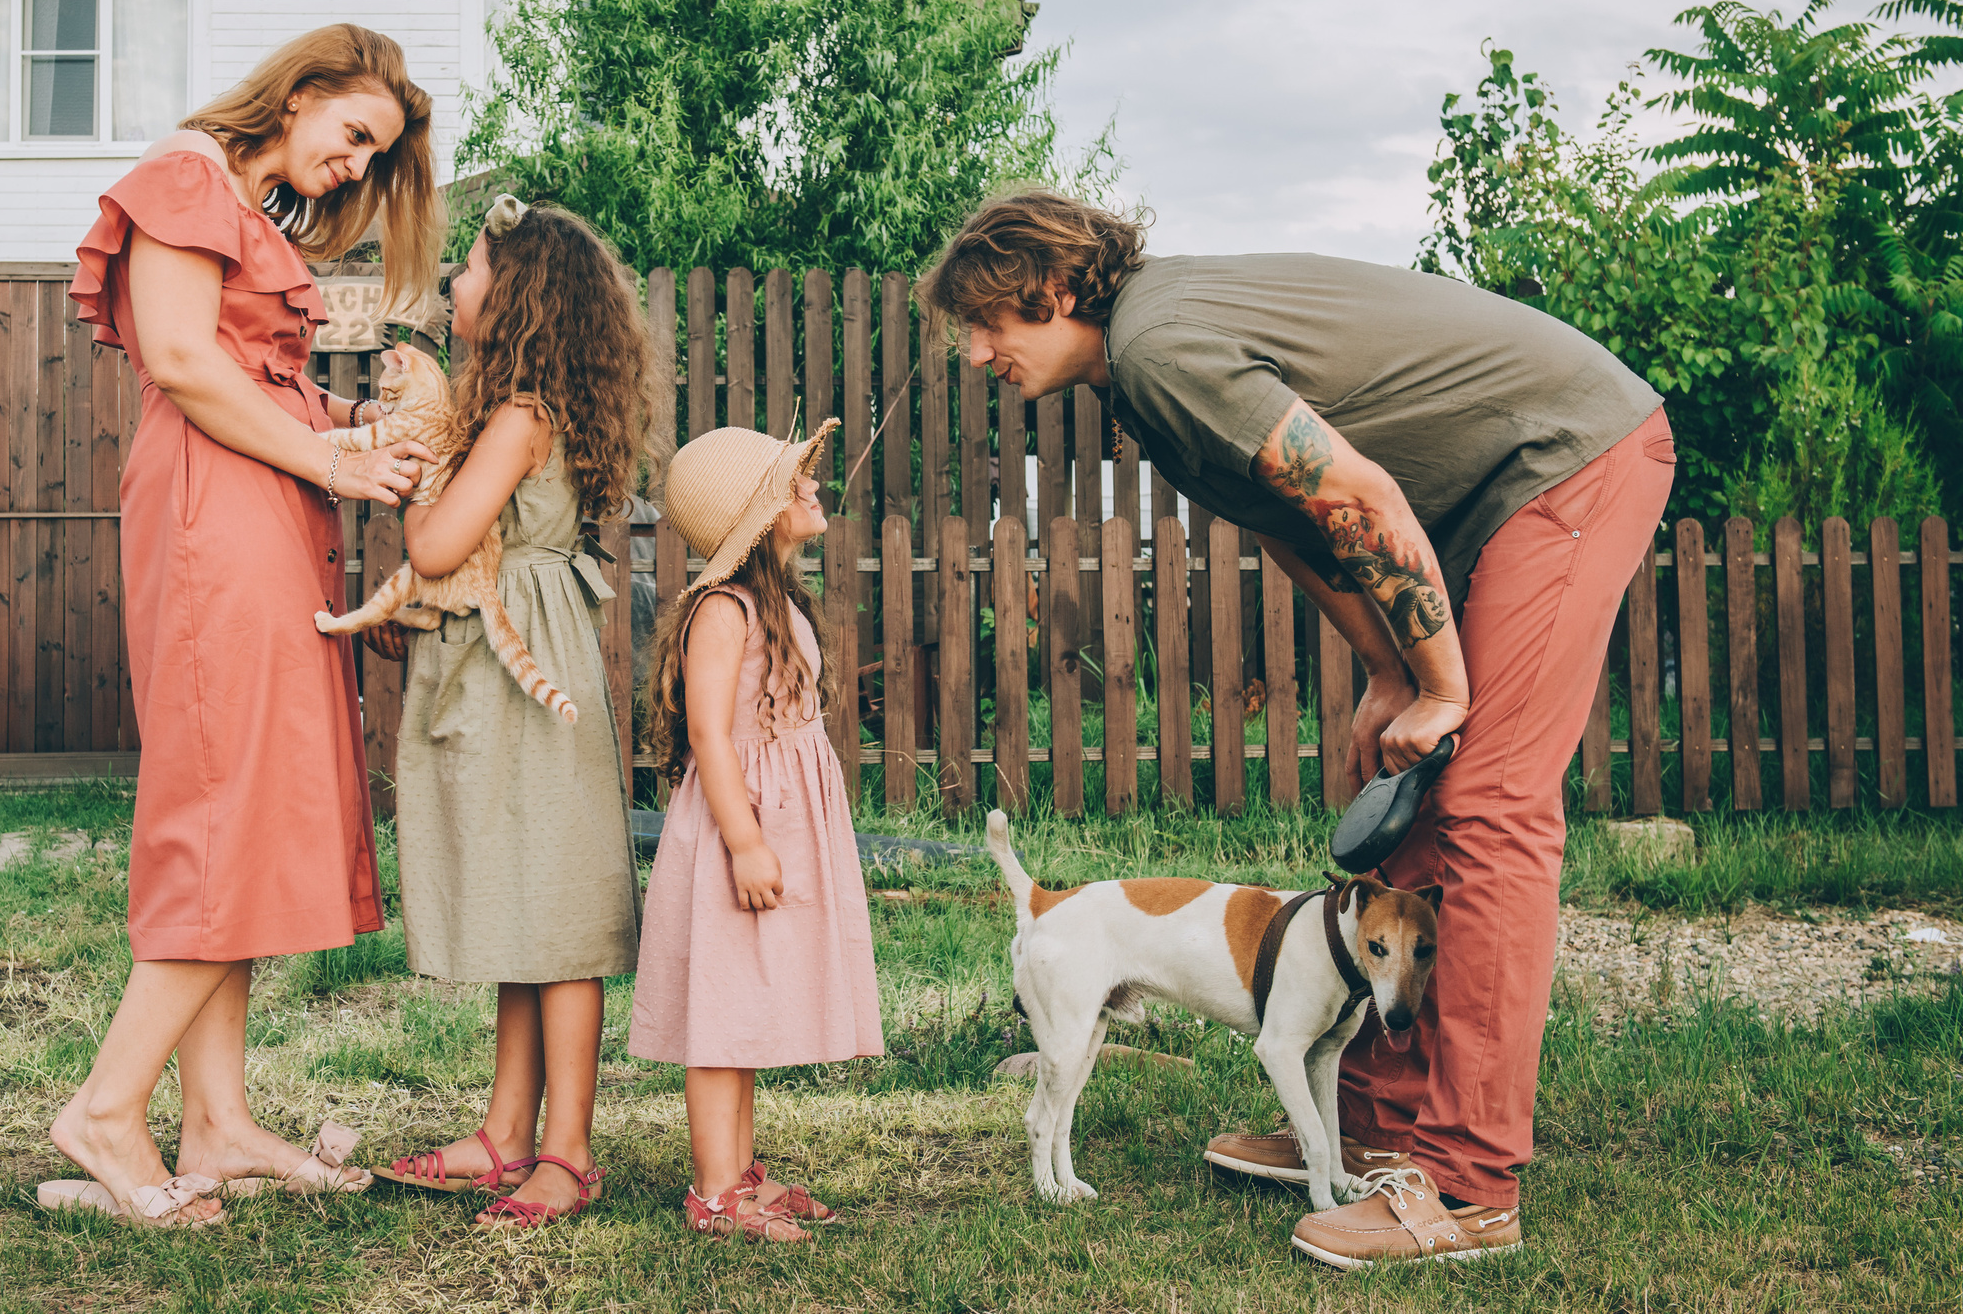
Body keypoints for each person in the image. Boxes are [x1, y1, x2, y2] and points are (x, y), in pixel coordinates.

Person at [921, 188, 1673, 1269]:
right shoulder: (1141, 369)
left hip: (1564, 454)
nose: (978, 351)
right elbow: (1294, 520)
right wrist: (1386, 669)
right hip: (1483, 493)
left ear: (1052, 287)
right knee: (1403, 788)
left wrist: (1445, 686)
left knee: (1486, 799)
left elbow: (1359, 495)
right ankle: (1365, 1126)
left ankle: (1466, 1182)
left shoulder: (1159, 347)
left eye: (990, 322)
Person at [48, 24, 442, 1228]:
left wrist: (356, 426)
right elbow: (179, 357)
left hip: (264, 504)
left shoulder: (245, 203)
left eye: (374, 156)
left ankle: (214, 1119)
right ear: (303, 90)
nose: (355, 165)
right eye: (354, 134)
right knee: (226, 809)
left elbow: (253, 373)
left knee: (255, 807)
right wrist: (329, 450)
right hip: (213, 512)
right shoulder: (186, 175)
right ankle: (108, 1110)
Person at [367, 197, 660, 1230]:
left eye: (469, 271)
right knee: (528, 903)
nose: (452, 287)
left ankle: (567, 1149)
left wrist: (409, 478)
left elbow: (440, 543)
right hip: (515, 657)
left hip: (520, 665)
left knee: (560, 915)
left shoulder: (518, 415)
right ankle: (503, 1129)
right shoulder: (540, 408)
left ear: (519, 296)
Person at [628, 422, 886, 1245]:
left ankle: (738, 1172)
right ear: (757, 513)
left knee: (743, 1007)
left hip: (775, 824)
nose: (813, 487)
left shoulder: (774, 599)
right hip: (737, 831)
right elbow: (708, 733)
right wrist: (744, 840)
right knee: (721, 1011)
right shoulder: (723, 609)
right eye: (793, 480)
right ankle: (712, 1195)